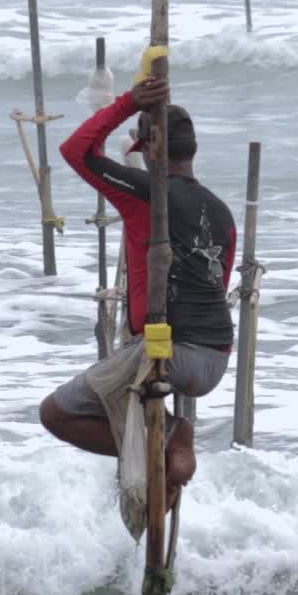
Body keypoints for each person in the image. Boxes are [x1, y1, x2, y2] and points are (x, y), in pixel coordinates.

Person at [39, 76, 237, 505]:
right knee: (129, 399)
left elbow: (75, 151)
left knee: (57, 413)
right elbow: (219, 286)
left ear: (149, 150)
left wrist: (129, 103)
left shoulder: (148, 193)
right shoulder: (221, 212)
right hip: (217, 357)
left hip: (169, 351)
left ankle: (168, 438)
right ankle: (164, 468)